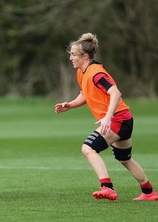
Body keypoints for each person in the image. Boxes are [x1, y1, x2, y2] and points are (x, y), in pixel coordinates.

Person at [55, 33, 158, 201]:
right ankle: (149, 192)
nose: (70, 57)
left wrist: (108, 117)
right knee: (125, 159)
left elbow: (115, 93)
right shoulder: (82, 72)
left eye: (73, 54)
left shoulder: (96, 73)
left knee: (88, 148)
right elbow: (85, 94)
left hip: (118, 119)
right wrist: (70, 105)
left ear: (85, 56)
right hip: (123, 119)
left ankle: (107, 187)